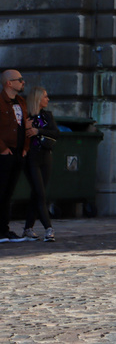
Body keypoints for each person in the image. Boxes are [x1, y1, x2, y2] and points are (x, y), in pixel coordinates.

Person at [21, 87, 58, 241]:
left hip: (46, 156)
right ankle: (48, 228)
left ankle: (28, 228)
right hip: (31, 157)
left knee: (37, 193)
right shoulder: (26, 116)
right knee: (40, 193)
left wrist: (38, 132)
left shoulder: (47, 116)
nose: (47, 99)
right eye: (45, 96)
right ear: (37, 99)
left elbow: (56, 133)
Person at [1, 69, 33, 243]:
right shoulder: (0, 102)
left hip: (18, 153)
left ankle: (5, 230)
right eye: (19, 80)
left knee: (8, 194)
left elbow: (24, 127)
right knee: (1, 191)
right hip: (5, 153)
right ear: (9, 83)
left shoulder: (21, 102)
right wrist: (3, 149)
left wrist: (25, 148)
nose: (23, 82)